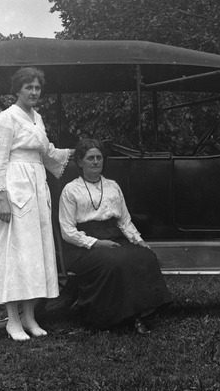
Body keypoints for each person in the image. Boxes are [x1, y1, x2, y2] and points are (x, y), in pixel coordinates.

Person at [0, 67, 74, 341]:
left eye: (37, 88)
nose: (34, 92)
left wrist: (72, 153)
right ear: (17, 90)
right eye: (29, 88)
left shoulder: (37, 118)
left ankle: (30, 317)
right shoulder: (7, 118)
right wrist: (2, 198)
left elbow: (45, 153)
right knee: (15, 254)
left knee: (34, 256)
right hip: (14, 188)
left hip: (36, 187)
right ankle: (12, 321)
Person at [59, 138, 172, 334]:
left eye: (99, 158)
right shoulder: (71, 190)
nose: (95, 162)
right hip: (82, 246)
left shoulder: (112, 186)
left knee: (145, 256)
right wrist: (95, 243)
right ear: (80, 162)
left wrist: (139, 240)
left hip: (113, 237)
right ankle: (107, 318)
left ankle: (139, 314)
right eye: (90, 158)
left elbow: (124, 221)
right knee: (115, 262)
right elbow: (67, 230)